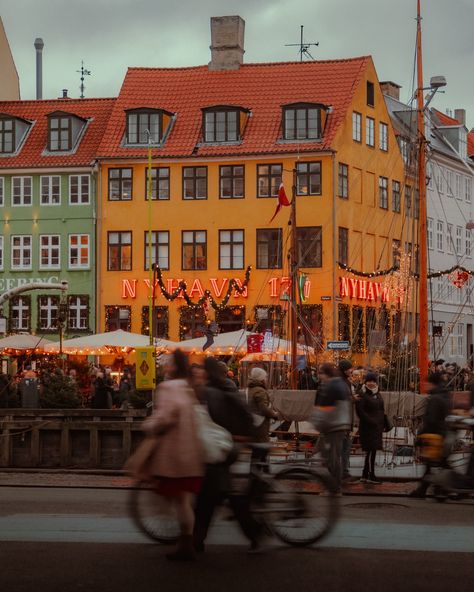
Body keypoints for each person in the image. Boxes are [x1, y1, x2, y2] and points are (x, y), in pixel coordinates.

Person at [193, 356, 262, 553]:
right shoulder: (224, 387)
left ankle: (253, 532)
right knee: (218, 495)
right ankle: (197, 539)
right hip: (228, 446)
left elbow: (214, 422)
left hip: (222, 448)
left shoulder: (211, 392)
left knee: (212, 497)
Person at [143, 350, 204, 561]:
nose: (164, 365)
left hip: (174, 452)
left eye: (168, 362)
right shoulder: (189, 388)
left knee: (176, 499)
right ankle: (187, 543)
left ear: (174, 366)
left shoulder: (168, 387)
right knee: (184, 501)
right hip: (191, 451)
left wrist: (150, 425)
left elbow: (166, 416)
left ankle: (185, 546)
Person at [409, 372, 451, 498]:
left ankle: (440, 488)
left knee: (433, 464)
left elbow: (431, 420)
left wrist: (420, 435)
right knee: (436, 464)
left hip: (434, 436)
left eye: (427, 383)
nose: (425, 385)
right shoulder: (445, 396)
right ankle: (429, 489)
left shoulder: (434, 399)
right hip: (443, 434)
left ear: (432, 383)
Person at [313, 363, 351, 492]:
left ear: (326, 374)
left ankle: (334, 486)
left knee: (332, 458)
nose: (319, 376)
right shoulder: (340, 384)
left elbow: (324, 408)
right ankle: (332, 484)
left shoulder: (332, 386)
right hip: (338, 425)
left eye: (320, 373)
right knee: (330, 456)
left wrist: (317, 422)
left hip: (332, 427)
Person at [355, 372, 385, 484]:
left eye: (373, 381)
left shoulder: (377, 394)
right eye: (369, 381)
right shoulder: (362, 395)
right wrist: (372, 422)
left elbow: (381, 409)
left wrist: (383, 422)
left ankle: (366, 473)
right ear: (365, 382)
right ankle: (370, 475)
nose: (371, 383)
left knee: (372, 451)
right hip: (368, 427)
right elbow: (360, 412)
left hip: (377, 427)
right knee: (370, 451)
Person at [246, 367, 279, 442]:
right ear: (261, 379)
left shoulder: (249, 389)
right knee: (261, 447)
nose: (266, 379)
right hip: (260, 423)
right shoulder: (260, 391)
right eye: (265, 377)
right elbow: (263, 408)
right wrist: (274, 415)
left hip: (252, 422)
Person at [338, 359, 355, 482]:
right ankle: (342, 472)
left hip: (345, 420)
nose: (352, 370)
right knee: (343, 448)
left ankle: (343, 471)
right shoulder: (342, 383)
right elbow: (342, 401)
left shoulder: (345, 382)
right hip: (342, 421)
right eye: (350, 368)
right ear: (345, 370)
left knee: (344, 448)